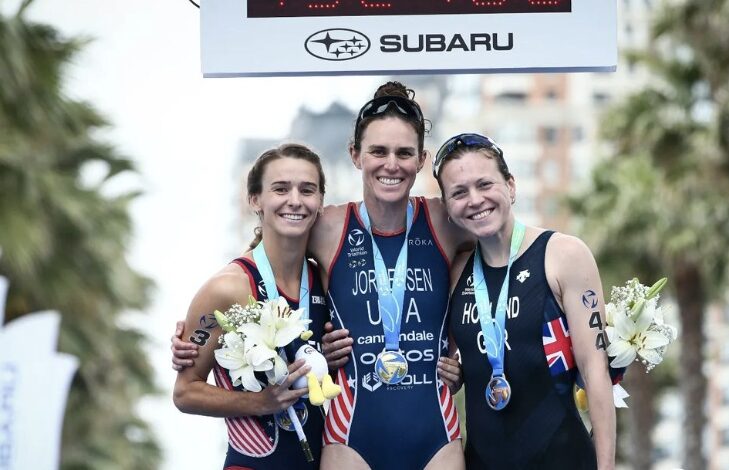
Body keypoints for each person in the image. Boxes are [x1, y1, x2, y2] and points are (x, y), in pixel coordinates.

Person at [173, 82, 467, 470]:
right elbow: (267, 253)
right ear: (355, 155)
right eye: (378, 150)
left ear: (421, 159)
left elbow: (496, 261)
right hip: (345, 439)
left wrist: (469, 357)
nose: (391, 164)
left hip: (433, 434)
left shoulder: (447, 222)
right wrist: (196, 329)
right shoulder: (325, 229)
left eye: (404, 153)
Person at [433, 133, 616, 469]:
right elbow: (449, 355)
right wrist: (455, 373)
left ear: (511, 187)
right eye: (459, 192)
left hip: (563, 458)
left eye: (484, 184)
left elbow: (596, 371)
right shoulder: (456, 271)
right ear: (447, 207)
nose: (475, 200)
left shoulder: (563, 255)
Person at [173, 143, 330, 469]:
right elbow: (185, 393)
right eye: (281, 188)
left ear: (320, 202)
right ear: (255, 200)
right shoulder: (228, 288)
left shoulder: (326, 280)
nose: (295, 200)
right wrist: (259, 402)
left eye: (307, 190)